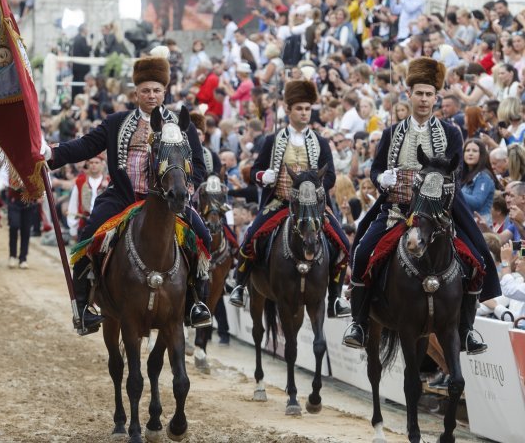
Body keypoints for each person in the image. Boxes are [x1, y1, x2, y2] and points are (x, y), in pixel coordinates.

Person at [45, 46, 212, 334]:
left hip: (168, 201)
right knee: (89, 237)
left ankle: (196, 304)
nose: (151, 96)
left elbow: (198, 165)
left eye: (157, 90)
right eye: (145, 90)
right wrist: (50, 153)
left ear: (165, 92)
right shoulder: (116, 122)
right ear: (136, 93)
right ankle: (85, 306)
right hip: (123, 198)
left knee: (204, 238)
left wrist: (186, 187)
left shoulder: (182, 127)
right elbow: (84, 146)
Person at [343, 57, 501, 354]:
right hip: (397, 212)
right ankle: (360, 323)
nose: (425, 99)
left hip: (439, 216)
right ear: (409, 95)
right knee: (363, 252)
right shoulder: (391, 134)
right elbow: (376, 171)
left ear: (436, 97)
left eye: (430, 94)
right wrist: (383, 178)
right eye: (420, 93)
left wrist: (428, 185)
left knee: (477, 258)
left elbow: (454, 176)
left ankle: (467, 330)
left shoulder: (451, 133)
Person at [229, 80, 351, 318]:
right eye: (299, 109)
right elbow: (254, 171)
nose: (304, 113)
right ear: (288, 110)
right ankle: (240, 286)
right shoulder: (273, 140)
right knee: (251, 237)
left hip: (314, 208)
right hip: (281, 202)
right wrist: (265, 175)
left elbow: (332, 176)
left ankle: (335, 299)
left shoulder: (321, 141)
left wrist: (317, 190)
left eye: (307, 109)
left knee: (343, 245)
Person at [67, 154, 108, 243]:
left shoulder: (109, 182)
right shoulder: (80, 181)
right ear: (88, 164)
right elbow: (73, 204)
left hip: (103, 226)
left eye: (97, 162)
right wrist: (73, 228)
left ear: (102, 164)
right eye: (91, 162)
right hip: (84, 225)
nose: (94, 165)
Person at [461, 138, 498, 225]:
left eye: (474, 151)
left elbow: (477, 202)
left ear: (481, 155)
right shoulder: (465, 175)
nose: (470, 153)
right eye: (467, 150)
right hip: (468, 223)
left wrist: (455, 191)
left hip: (481, 228)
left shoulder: (484, 177)